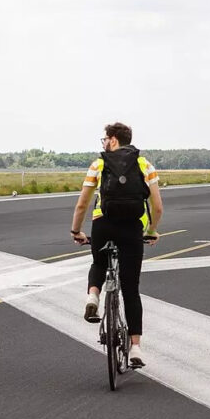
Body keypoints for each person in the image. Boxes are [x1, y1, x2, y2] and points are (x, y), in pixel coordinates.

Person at [71, 122, 164, 367]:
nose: (103, 143)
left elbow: (81, 204)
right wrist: (152, 230)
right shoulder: (145, 165)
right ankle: (135, 349)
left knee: (98, 262)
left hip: (103, 224)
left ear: (113, 140)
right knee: (131, 290)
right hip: (132, 228)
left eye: (104, 139)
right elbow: (157, 207)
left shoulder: (98, 164)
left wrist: (76, 230)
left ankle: (93, 296)